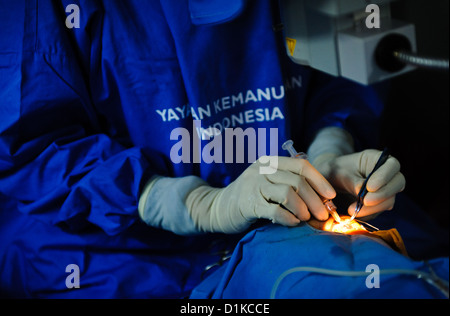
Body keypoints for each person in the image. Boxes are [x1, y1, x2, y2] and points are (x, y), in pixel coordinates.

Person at [0, 0, 407, 298]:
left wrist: (330, 147)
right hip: (114, 252)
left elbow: (349, 67)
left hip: (295, 229)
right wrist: (193, 204)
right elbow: (33, 144)